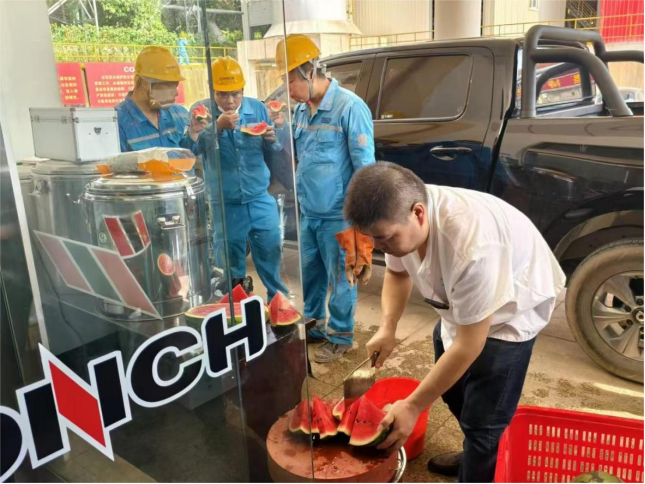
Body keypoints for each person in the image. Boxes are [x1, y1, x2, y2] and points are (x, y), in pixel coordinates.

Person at [343, 163, 566, 483]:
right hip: (460, 309)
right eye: (373, 239)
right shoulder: (398, 218)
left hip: (510, 314)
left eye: (385, 239)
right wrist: (387, 328)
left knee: (485, 423)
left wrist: (412, 406)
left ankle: (481, 456)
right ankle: (476, 451)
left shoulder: (472, 248)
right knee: (453, 393)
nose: (379, 247)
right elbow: (397, 273)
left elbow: (469, 344)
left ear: (418, 213)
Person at [272, 34, 375, 363]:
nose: (287, 89)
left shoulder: (350, 107)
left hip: (339, 216)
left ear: (309, 72)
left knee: (342, 278)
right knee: (311, 274)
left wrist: (360, 221)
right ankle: (314, 325)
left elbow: (365, 168)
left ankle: (341, 336)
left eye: (290, 80)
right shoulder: (302, 112)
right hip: (310, 214)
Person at [181, 56, 288, 302]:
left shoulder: (258, 108)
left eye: (235, 94)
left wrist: (273, 140)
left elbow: (273, 149)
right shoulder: (200, 112)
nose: (230, 101)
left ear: (243, 90)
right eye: (222, 94)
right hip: (225, 203)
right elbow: (189, 151)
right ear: (212, 91)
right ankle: (238, 309)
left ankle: (278, 304)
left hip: (260, 198)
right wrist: (215, 127)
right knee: (231, 267)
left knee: (271, 253)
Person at [117, 46, 198, 152]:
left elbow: (188, 155)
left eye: (176, 85)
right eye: (168, 85)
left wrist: (193, 134)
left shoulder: (180, 115)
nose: (176, 93)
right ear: (145, 83)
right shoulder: (117, 123)